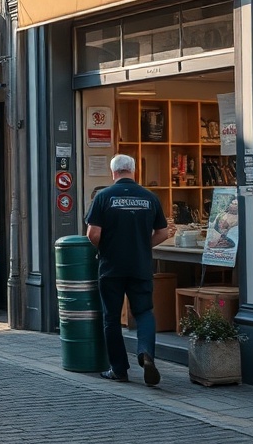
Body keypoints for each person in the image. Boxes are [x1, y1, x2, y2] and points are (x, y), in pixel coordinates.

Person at [86, 153, 170, 387]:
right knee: (144, 312)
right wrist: (143, 246)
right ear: (134, 171)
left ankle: (119, 369)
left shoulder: (103, 197)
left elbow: (93, 234)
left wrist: (106, 248)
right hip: (140, 265)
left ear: (113, 172)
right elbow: (164, 232)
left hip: (111, 267)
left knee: (111, 318)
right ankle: (146, 353)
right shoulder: (149, 197)